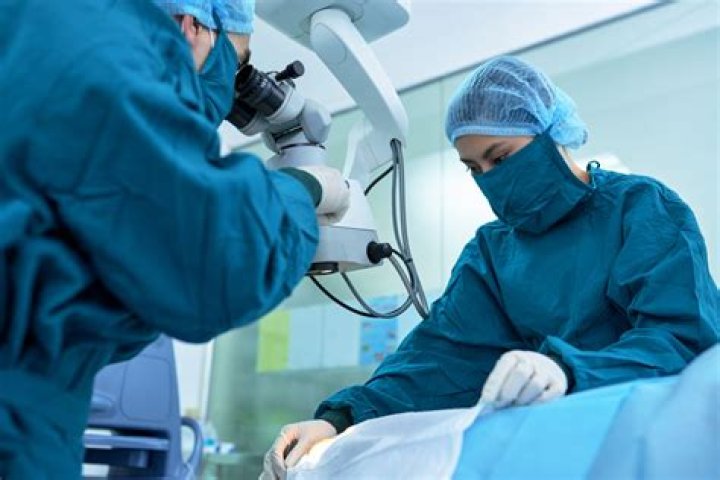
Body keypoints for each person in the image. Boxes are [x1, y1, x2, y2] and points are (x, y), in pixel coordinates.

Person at [262, 55, 719, 478]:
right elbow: (438, 359)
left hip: (652, 448)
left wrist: (568, 370)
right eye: (474, 168)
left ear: (548, 133)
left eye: (500, 158)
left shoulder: (641, 210)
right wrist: (339, 419)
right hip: (551, 456)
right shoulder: (492, 253)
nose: (491, 178)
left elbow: (680, 340)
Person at [0, 0, 349, 477]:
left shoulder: (36, 29)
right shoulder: (100, 49)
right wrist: (303, 189)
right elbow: (220, 259)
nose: (229, 91)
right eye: (235, 64)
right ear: (191, 27)